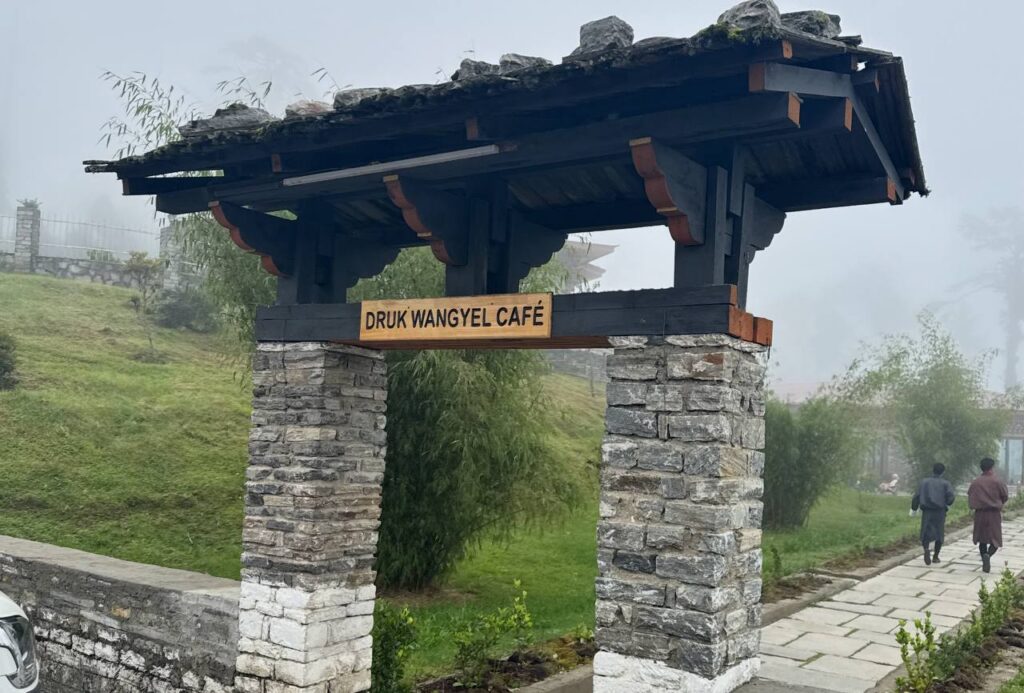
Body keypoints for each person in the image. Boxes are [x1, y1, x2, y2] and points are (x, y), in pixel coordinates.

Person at [968, 457, 1009, 573]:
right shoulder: (997, 481)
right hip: (994, 514)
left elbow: (970, 496)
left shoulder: (976, 482)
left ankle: (984, 557)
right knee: (995, 539)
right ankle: (988, 555)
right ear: (992, 467)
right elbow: (1005, 496)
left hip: (980, 514)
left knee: (982, 539)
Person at [911, 463, 955, 565]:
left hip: (927, 511)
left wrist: (914, 508)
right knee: (939, 533)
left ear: (933, 470)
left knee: (925, 531)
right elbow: (951, 497)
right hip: (940, 511)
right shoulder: (946, 484)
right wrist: (947, 503)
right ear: (943, 472)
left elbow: (917, 496)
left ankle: (926, 549)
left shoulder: (924, 482)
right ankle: (936, 556)